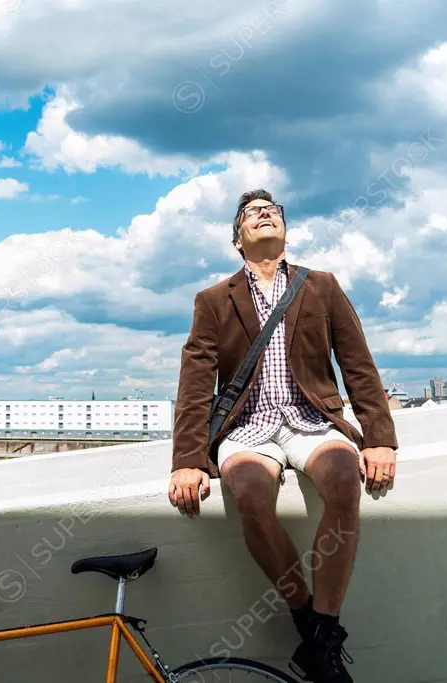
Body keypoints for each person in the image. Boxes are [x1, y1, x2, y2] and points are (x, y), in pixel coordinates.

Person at [167, 189, 398, 683]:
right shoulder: (212, 301)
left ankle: (325, 634)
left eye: (272, 211)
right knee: (249, 492)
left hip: (311, 420)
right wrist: (187, 459)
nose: (265, 214)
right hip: (247, 428)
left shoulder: (322, 287)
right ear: (238, 239)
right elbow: (194, 383)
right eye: (252, 213)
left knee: (342, 479)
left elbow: (357, 364)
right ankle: (308, 623)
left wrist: (379, 436)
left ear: (285, 231)